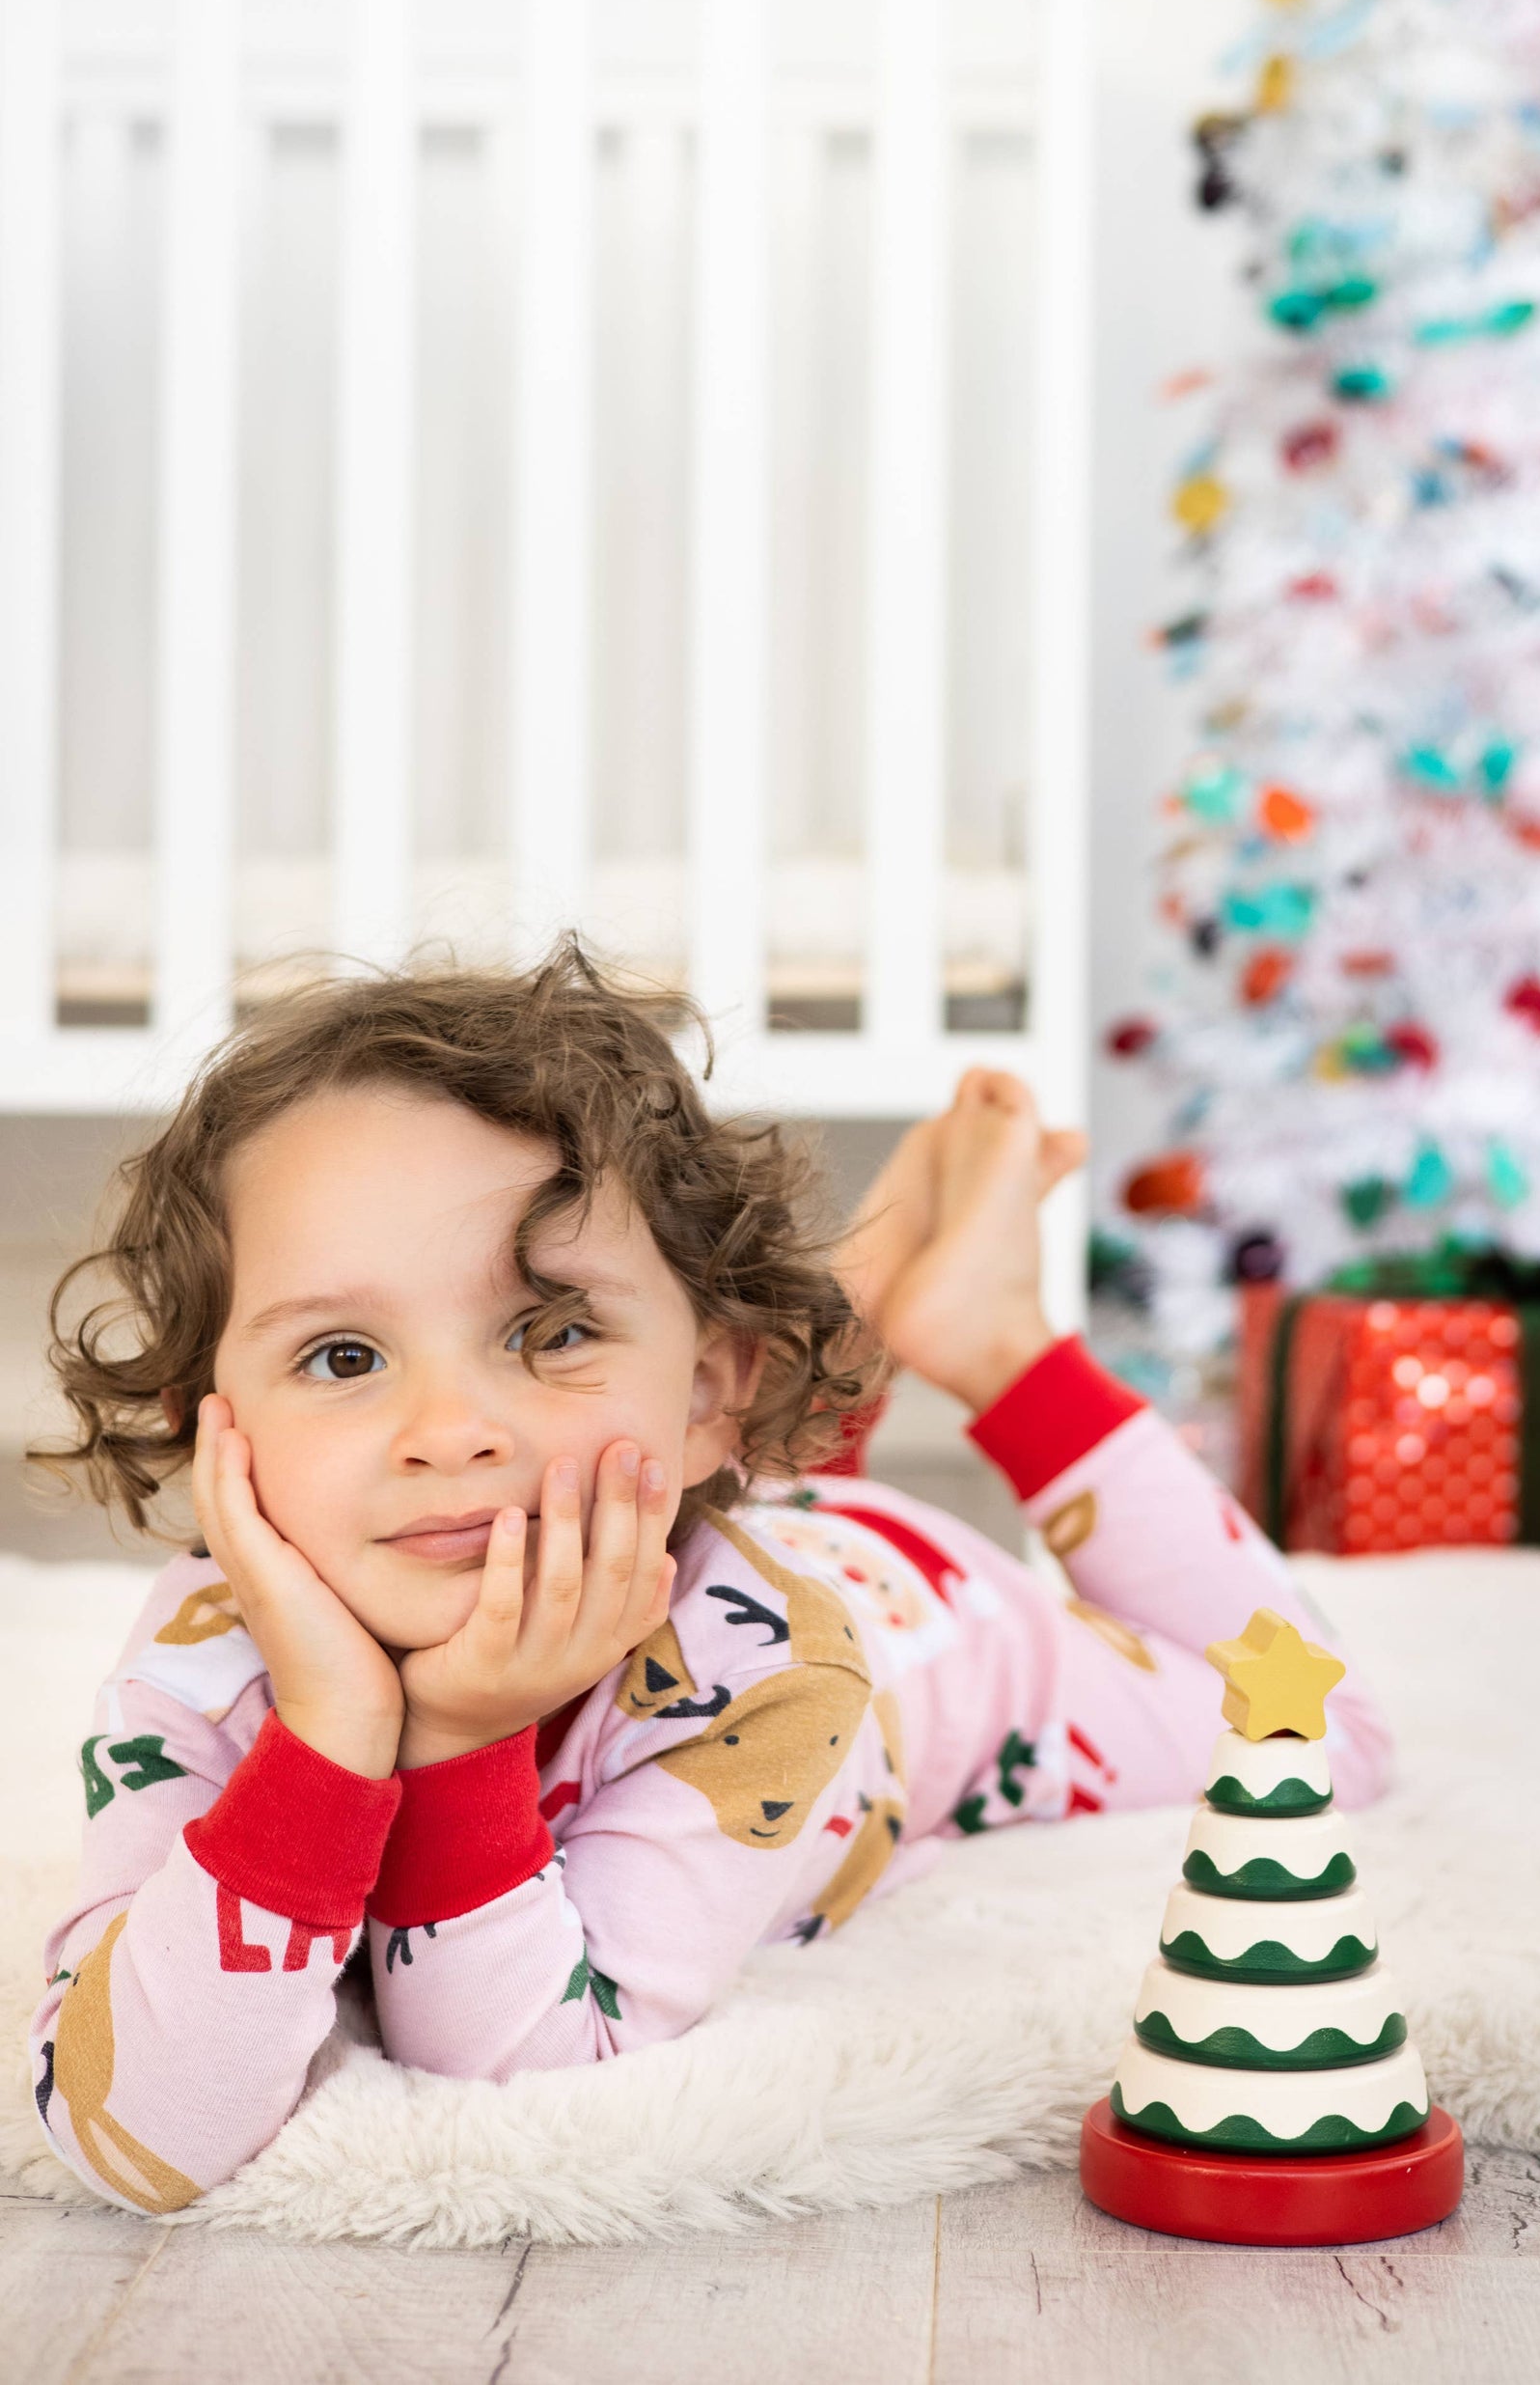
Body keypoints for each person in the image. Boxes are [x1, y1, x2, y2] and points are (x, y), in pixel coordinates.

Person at [28, 939, 1389, 2213]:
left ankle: (990, 1338)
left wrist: (459, 1737)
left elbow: (517, 2067)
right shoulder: (212, 1647)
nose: (449, 1431)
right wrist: (324, 1735)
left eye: (549, 1326)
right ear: (208, 1420)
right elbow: (132, 2122)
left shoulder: (780, 1673)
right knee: (652, 1453)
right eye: (342, 1357)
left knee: (1314, 1734)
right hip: (686, 1476)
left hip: (917, 1619)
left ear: (704, 1397)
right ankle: (828, 1320)